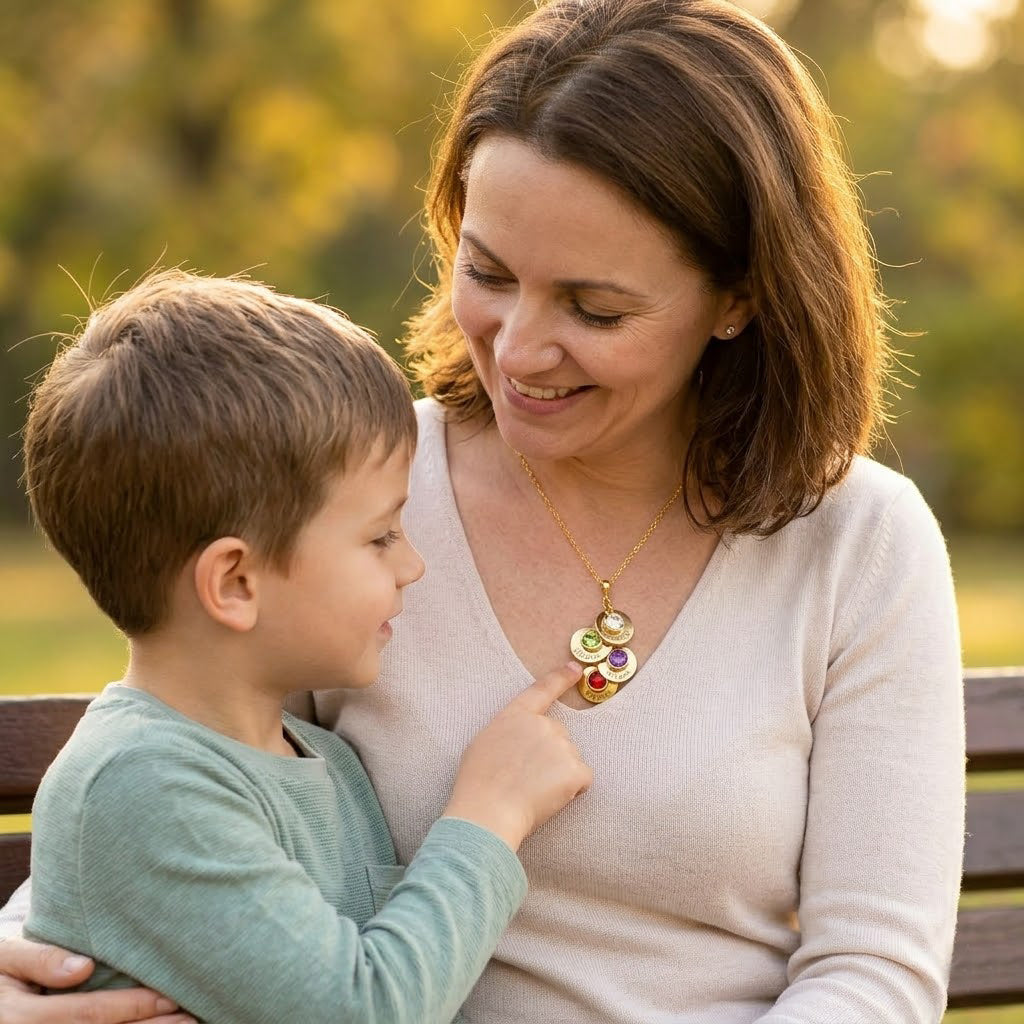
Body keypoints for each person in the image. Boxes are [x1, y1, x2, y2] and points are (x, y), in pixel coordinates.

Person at [0, 1, 965, 1022]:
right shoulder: (337, 493)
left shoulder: (859, 544)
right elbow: (181, 790)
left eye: (594, 310)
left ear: (738, 298)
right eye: (488, 273)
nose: (516, 350)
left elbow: (873, 975)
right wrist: (20, 952)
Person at [9, 270, 590, 1024]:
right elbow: (363, 1010)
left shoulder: (319, 760)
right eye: (380, 536)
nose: (412, 565)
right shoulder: (142, 785)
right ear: (236, 582)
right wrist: (487, 817)